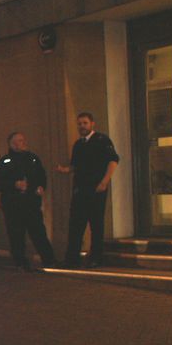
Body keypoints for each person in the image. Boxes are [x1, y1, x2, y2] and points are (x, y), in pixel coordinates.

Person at [56, 112, 119, 268]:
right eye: (79, 123)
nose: (82, 126)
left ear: (92, 124)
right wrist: (65, 170)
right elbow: (75, 166)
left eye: (85, 123)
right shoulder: (78, 144)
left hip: (96, 188)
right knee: (76, 223)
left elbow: (113, 160)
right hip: (80, 189)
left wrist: (104, 181)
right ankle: (72, 259)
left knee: (96, 223)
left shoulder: (102, 140)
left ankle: (96, 258)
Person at [0, 132, 56, 271]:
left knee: (38, 231)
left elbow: (41, 175)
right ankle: (20, 261)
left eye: (23, 140)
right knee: (16, 234)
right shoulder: (4, 162)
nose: (23, 142)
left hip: (31, 203)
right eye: (20, 140)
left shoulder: (33, 159)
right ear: (12, 144)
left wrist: (41, 186)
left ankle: (49, 260)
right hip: (13, 204)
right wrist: (14, 184)